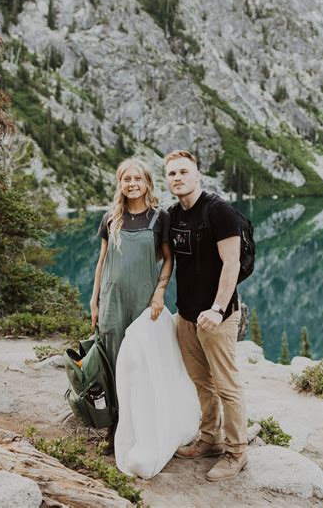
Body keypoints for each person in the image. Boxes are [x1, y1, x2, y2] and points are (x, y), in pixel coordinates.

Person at [165, 149, 248, 482]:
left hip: (218, 315)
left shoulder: (219, 212)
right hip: (186, 315)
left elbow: (232, 263)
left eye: (184, 172)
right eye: (172, 174)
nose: (178, 178)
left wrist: (216, 309)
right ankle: (211, 440)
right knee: (201, 382)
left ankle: (237, 451)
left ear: (197, 175)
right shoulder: (173, 214)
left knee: (226, 385)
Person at [90, 158, 173, 450]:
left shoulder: (159, 217)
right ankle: (114, 428)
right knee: (112, 362)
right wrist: (94, 301)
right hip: (111, 299)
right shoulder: (111, 218)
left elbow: (168, 260)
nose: (132, 184)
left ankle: (142, 427)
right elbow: (101, 262)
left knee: (139, 362)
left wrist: (159, 293)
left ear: (147, 182)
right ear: (120, 184)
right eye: (126, 179)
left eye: (137, 178)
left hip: (143, 300)